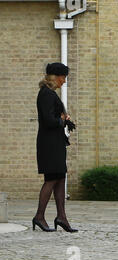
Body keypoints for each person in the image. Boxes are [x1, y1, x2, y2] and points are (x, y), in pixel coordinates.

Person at [33, 62, 77, 233]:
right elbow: (48, 120)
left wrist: (63, 118)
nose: (64, 81)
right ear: (57, 77)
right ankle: (39, 216)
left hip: (54, 142)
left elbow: (53, 116)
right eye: (63, 78)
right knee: (52, 178)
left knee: (60, 177)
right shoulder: (46, 94)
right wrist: (63, 120)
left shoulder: (49, 94)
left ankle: (61, 217)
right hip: (49, 143)